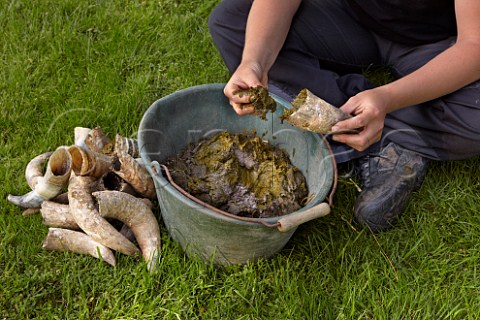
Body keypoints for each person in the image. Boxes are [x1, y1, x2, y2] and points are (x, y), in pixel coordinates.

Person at [208, 0, 480, 232]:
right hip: (351, 19)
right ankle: (366, 124)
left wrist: (389, 98)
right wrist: (253, 63)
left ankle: (364, 126)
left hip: (440, 43)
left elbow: (474, 45)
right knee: (234, 22)